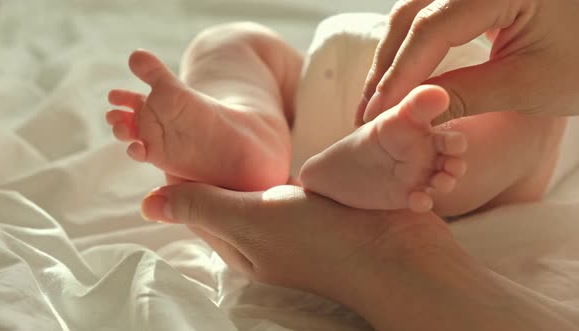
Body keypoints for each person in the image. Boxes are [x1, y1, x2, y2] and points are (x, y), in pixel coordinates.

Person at [115, 0, 579, 330]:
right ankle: (256, 130)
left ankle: (268, 134)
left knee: (233, 43)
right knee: (233, 38)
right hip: (389, 65)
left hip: (405, 83)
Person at [106, 13, 564, 216]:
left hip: (458, 112)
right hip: (356, 64)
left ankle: (391, 161)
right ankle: (250, 125)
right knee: (232, 40)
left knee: (527, 124)